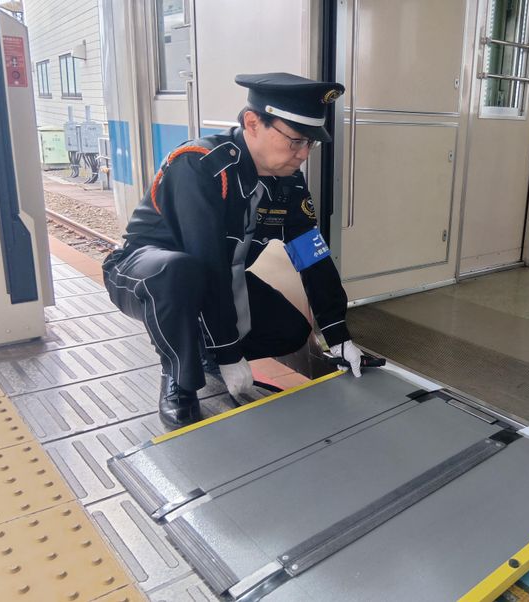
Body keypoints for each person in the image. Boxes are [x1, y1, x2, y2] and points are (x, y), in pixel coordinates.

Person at [103, 72, 364, 428]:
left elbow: (312, 255)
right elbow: (207, 261)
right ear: (252, 123)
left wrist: (338, 336)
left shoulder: (289, 182)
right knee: (179, 272)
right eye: (295, 141)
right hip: (147, 274)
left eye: (310, 143)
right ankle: (179, 378)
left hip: (217, 274)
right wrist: (229, 352)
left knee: (290, 329)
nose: (304, 154)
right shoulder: (200, 165)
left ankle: (202, 353)